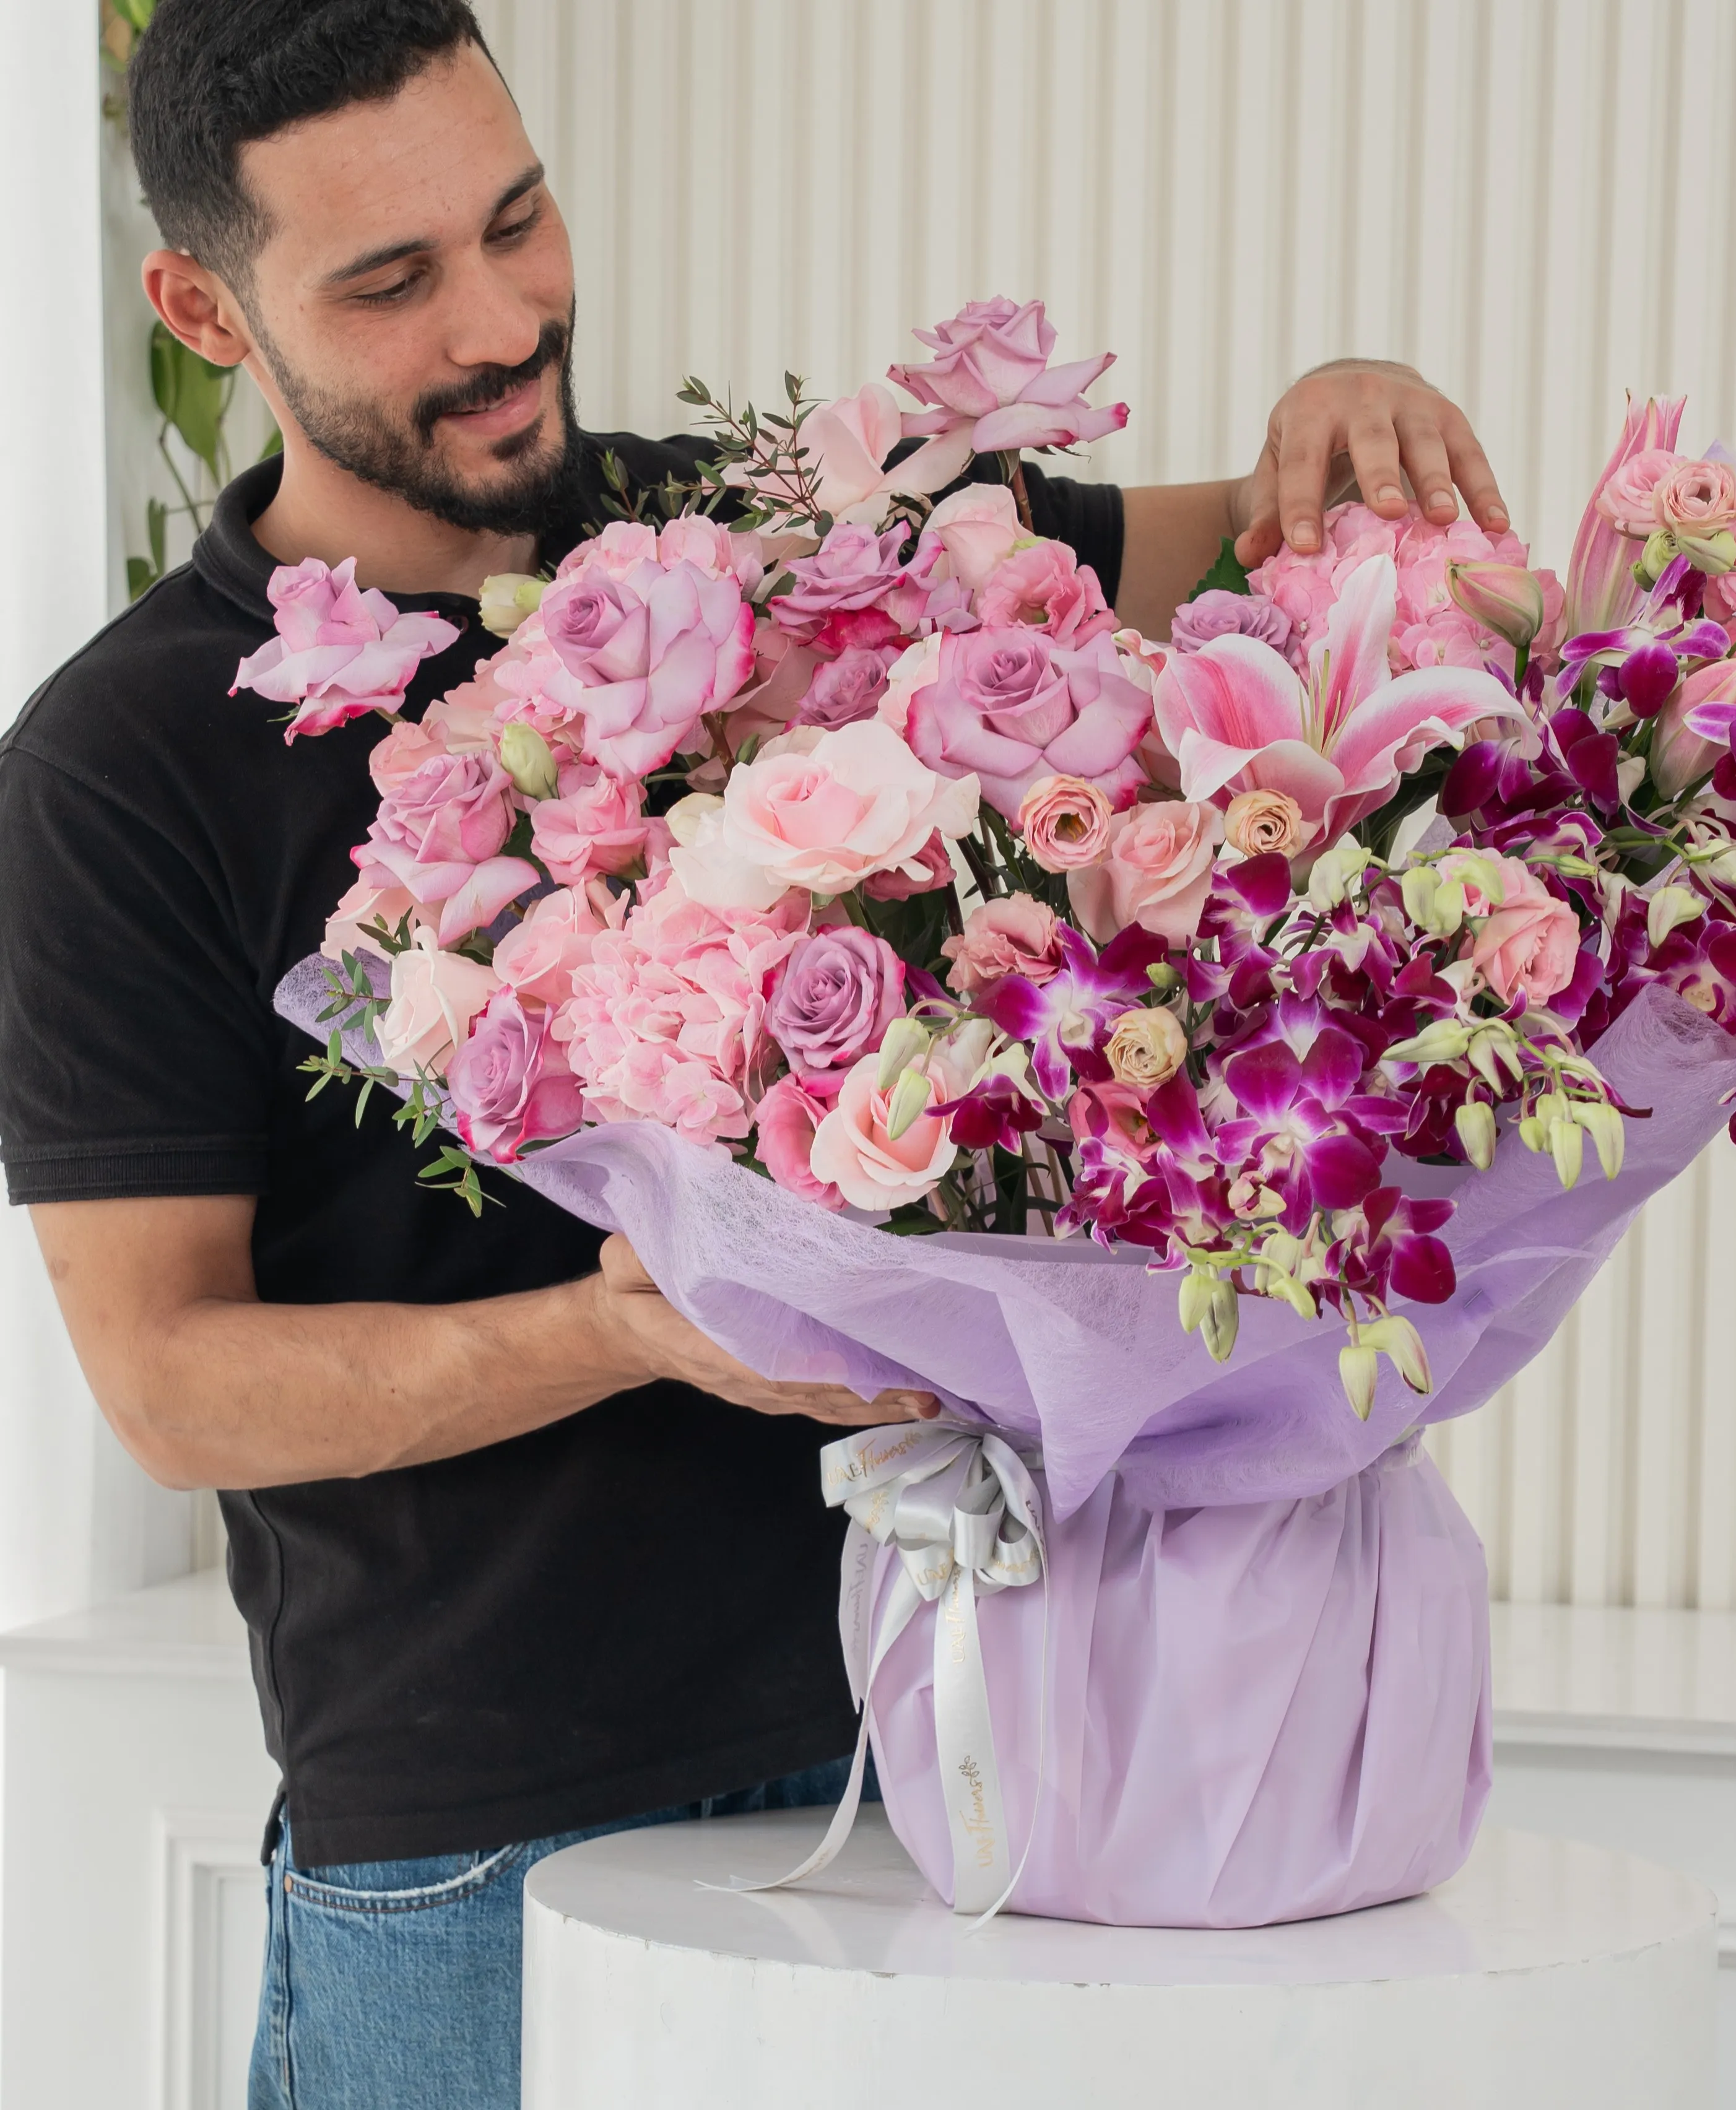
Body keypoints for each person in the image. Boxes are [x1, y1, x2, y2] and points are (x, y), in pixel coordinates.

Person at [0, 3, 1513, 2104]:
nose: (502, 316)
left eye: (516, 219)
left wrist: (1342, 411)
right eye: (391, 280)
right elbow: (170, 1382)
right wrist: (636, 1329)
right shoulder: (119, 764)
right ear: (200, 303)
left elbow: (1264, 544)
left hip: (954, 1753)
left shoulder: (785, 538)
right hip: (475, 1858)